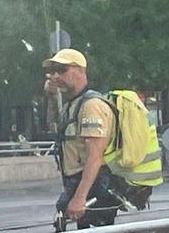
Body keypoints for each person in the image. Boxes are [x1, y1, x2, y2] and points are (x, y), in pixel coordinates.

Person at [43, 49, 119, 228]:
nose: (55, 76)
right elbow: (54, 129)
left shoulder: (92, 105)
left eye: (62, 70)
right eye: (53, 71)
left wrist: (80, 197)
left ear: (80, 70)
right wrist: (52, 97)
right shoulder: (72, 104)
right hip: (80, 184)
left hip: (96, 187)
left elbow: (95, 156)